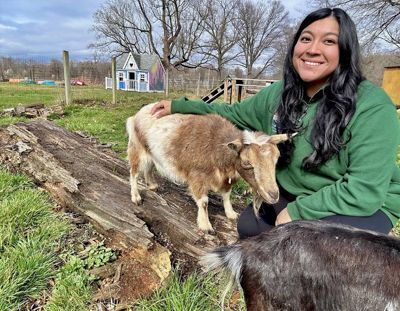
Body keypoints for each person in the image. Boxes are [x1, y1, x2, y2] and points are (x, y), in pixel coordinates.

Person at [151, 8, 400, 238]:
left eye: (329, 41)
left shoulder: (372, 107)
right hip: (299, 192)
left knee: (299, 248)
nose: (312, 49)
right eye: (305, 39)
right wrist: (179, 106)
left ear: (345, 51)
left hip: (362, 204)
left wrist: (297, 213)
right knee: (249, 228)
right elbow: (232, 112)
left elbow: (364, 190)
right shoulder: (280, 94)